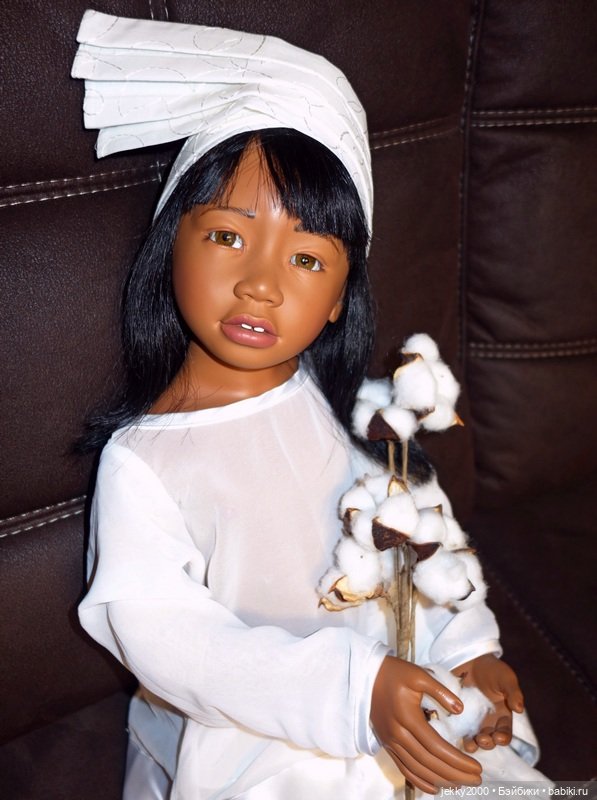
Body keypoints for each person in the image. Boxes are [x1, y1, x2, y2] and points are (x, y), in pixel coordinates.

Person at [72, 11, 549, 799]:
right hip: (252, 737)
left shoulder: (347, 415)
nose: (261, 284)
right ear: (169, 247)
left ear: (337, 300)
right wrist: (350, 690)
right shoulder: (146, 460)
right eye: (228, 238)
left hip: (401, 689)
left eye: (304, 258)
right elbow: (159, 631)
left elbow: (412, 538)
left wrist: (468, 648)